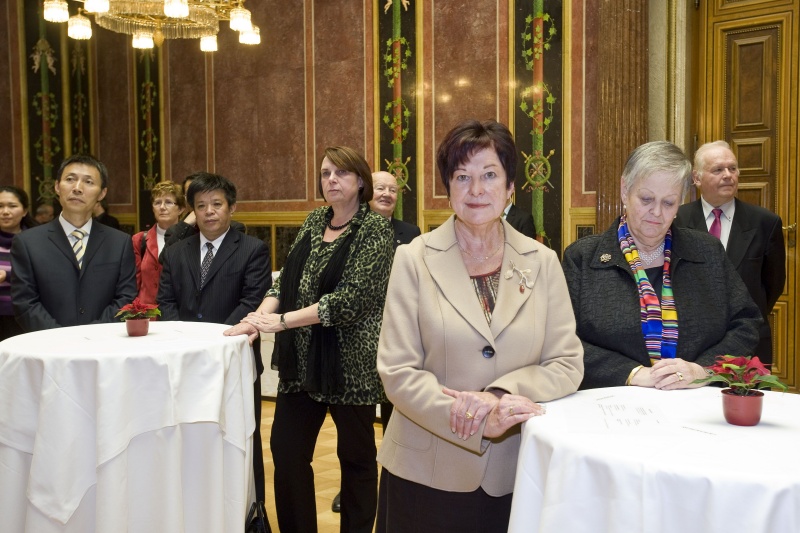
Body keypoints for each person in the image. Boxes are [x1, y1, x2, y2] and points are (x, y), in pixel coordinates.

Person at [376, 120, 583, 533]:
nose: (476, 190)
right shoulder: (413, 259)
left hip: (516, 472)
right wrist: (465, 414)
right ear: (448, 188)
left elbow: (566, 363)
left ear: (510, 188)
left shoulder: (542, 262)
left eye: (490, 175)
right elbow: (396, 371)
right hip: (424, 471)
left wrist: (500, 395)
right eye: (462, 177)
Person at [224, 146, 394, 533]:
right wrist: (258, 317)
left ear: (361, 182)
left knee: (356, 459)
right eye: (325, 173)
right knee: (285, 452)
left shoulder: (375, 230)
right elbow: (286, 279)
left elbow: (349, 301)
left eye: (340, 173)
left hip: (349, 365)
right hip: (302, 362)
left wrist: (281, 322)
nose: (330, 180)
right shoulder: (315, 219)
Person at [562, 141, 762, 391]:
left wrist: (703, 370)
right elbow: (563, 341)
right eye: (646, 199)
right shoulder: (582, 258)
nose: (656, 212)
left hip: (696, 407)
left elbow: (747, 323)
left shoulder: (707, 252)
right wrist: (632, 373)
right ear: (625, 190)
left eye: (669, 203)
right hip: (613, 408)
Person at [157, 172, 271, 503]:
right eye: (201, 205)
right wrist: (186, 343)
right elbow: (165, 303)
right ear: (192, 211)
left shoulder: (253, 249)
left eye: (217, 204)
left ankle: (250, 511)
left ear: (231, 208)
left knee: (240, 437)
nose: (209, 212)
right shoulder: (176, 253)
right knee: (189, 439)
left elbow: (251, 303)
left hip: (233, 358)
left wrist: (212, 342)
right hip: (183, 362)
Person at [327, 170, 421, 516]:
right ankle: (351, 488)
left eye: (393, 190)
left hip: (399, 336)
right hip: (357, 339)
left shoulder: (410, 234)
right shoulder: (348, 229)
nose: (387, 194)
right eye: (380, 187)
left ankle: (396, 488)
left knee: (398, 418)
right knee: (357, 427)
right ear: (367, 190)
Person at [675, 140, 786, 364]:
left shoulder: (765, 222)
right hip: (690, 344)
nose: (728, 175)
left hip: (749, 342)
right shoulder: (676, 221)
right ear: (696, 178)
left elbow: (772, 285)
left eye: (732, 168)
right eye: (718, 170)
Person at [11, 154, 137, 331]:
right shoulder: (27, 243)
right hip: (48, 348)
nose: (77, 188)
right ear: (57, 186)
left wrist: (91, 335)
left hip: (103, 345)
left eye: (88, 182)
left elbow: (126, 297)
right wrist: (61, 338)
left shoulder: (120, 242)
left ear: (102, 193)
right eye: (70, 179)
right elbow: (25, 303)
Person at [131, 181, 185, 304]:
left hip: (177, 315)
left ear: (181, 209)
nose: (162, 207)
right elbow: (134, 283)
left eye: (168, 202)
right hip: (147, 314)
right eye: (157, 202)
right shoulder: (139, 240)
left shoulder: (190, 239)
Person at [163, 172, 246, 247]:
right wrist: (186, 225)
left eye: (217, 204)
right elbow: (166, 259)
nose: (209, 211)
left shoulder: (234, 227)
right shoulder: (175, 231)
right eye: (189, 194)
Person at [0, 186, 38, 341]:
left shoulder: (37, 241)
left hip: (26, 316)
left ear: (24, 211)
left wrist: (8, 275)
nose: (5, 211)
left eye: (12, 206)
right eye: (0, 206)